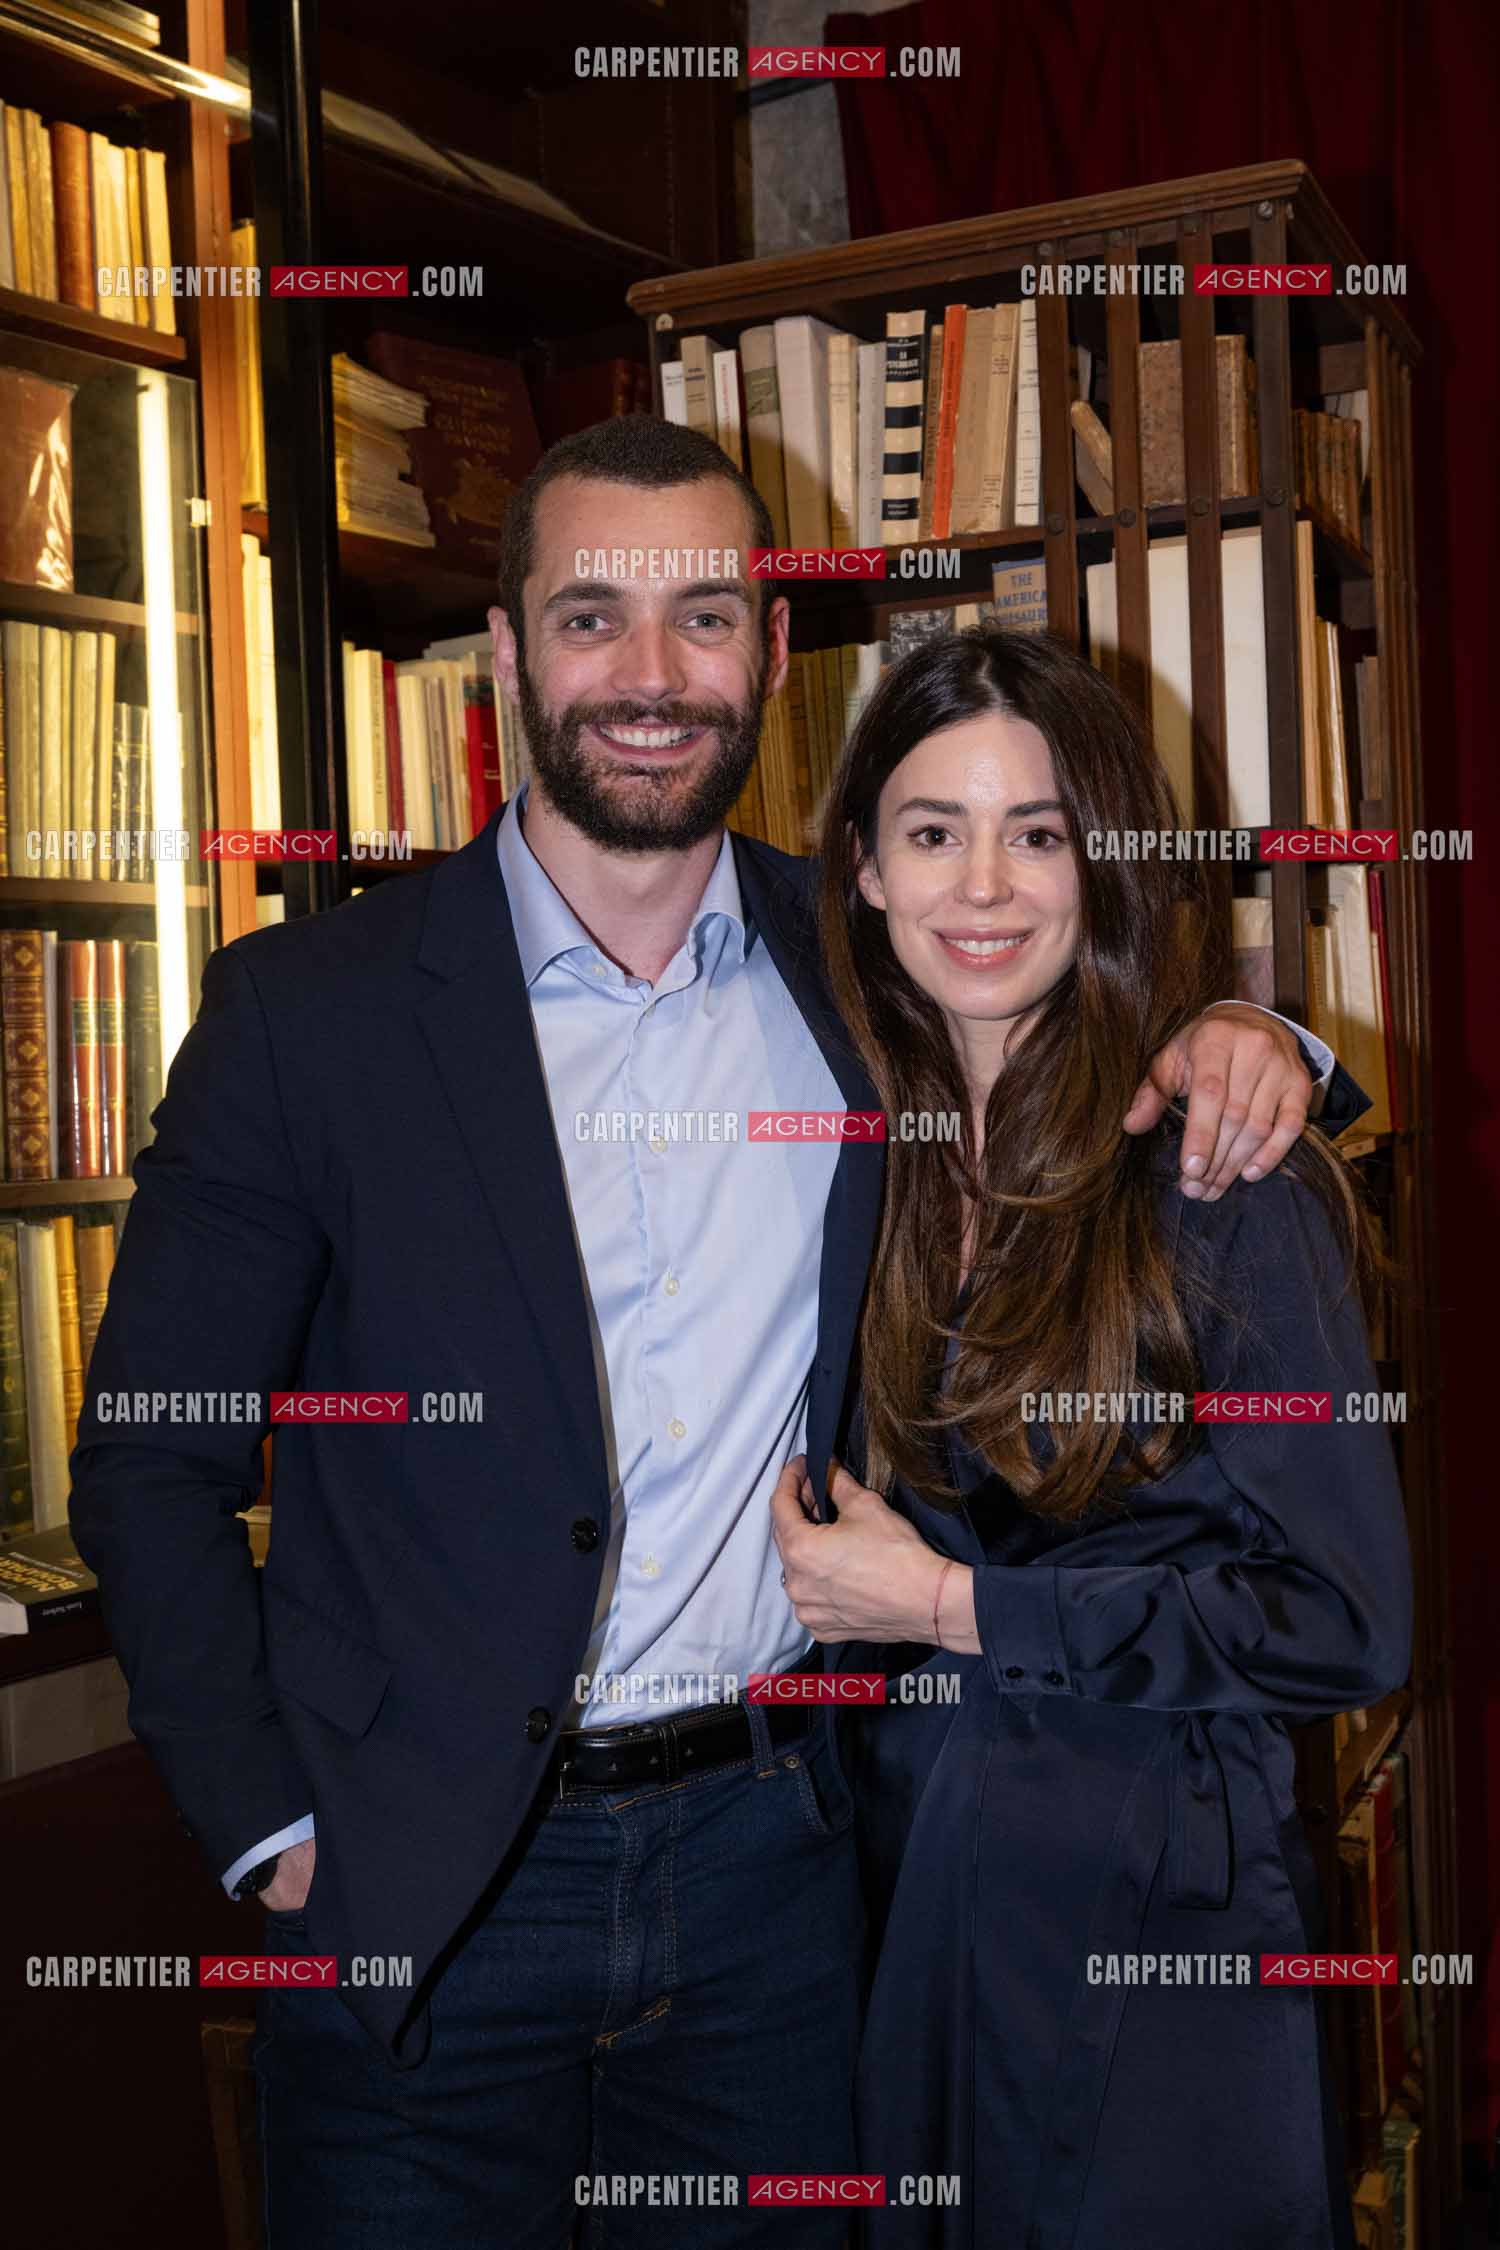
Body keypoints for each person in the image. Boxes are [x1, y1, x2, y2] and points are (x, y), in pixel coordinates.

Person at [69, 421, 1362, 2248]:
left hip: (780, 1873)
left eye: (702, 618)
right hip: (423, 1881)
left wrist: (1261, 1049)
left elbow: (1070, 1025)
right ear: (510, 657)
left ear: (769, 654)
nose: (651, 676)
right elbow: (152, 1452)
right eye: (591, 617)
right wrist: (268, 1819)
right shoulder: (311, 1014)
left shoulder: (867, 969)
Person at [770, 625, 1412, 2250]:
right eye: (933, 831)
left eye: (1037, 832)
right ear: (859, 869)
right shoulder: (865, 1156)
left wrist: (951, 1608)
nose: (983, 884)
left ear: (1101, 861)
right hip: (917, 1889)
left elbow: (1346, 1617)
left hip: (1157, 1913)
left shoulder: (1221, 1177)